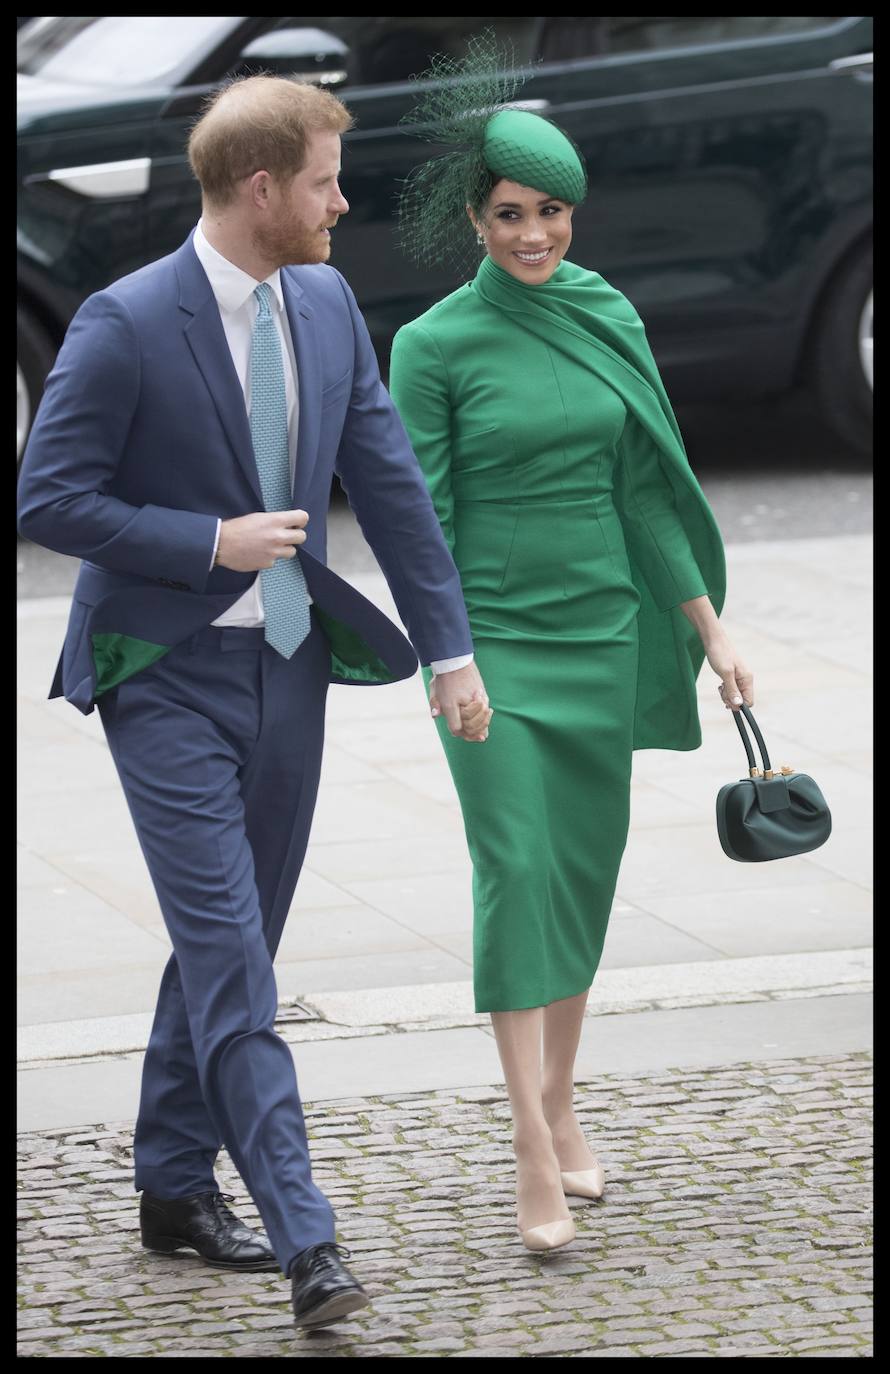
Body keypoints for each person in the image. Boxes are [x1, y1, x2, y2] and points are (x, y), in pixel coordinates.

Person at [16, 74, 493, 1329]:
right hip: (160, 674)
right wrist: (205, 538)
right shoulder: (123, 323)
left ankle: (173, 1186)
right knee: (233, 956)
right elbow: (44, 500)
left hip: (290, 672)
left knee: (233, 941)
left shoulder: (326, 300)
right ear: (261, 187)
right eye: (329, 179)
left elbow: (387, 482)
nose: (345, 200)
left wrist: (450, 652)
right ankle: (308, 1242)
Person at [389, 46, 753, 1253]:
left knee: (582, 880)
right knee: (515, 875)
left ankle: (560, 1097)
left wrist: (709, 632)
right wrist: (449, 659)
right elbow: (421, 517)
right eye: (508, 215)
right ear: (471, 219)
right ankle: (529, 1147)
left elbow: (647, 493)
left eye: (549, 213)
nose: (533, 235)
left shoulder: (603, 310)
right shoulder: (433, 346)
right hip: (492, 654)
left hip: (601, 636)